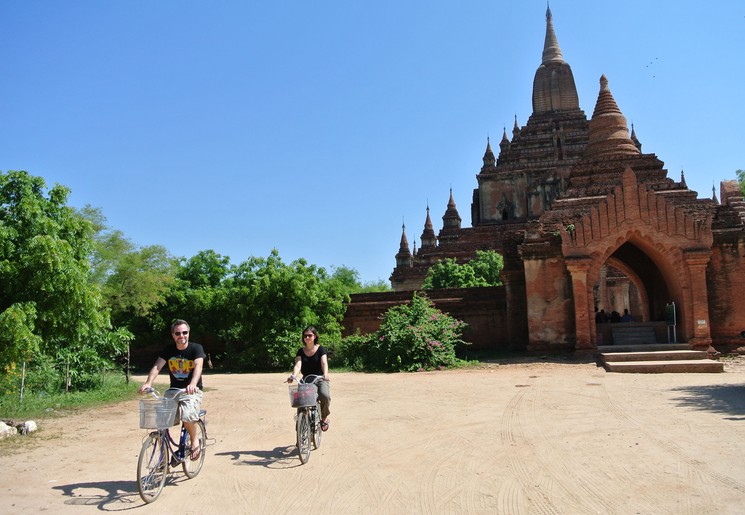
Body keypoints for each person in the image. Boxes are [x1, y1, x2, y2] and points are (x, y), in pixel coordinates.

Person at [140, 319, 205, 460]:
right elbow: (158, 366)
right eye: (178, 333)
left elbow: (198, 366)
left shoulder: (196, 348)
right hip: (173, 391)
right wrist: (148, 383)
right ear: (173, 335)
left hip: (191, 391)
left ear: (188, 333)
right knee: (161, 421)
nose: (181, 336)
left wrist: (193, 384)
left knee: (187, 415)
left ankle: (194, 441)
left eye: (184, 332)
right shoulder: (169, 350)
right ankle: (162, 459)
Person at [287, 326, 331, 431]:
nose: (307, 337)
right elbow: (298, 365)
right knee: (301, 402)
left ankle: (323, 418)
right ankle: (300, 426)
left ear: (315, 336)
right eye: (305, 335)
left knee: (325, 396)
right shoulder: (300, 351)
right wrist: (293, 375)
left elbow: (324, 362)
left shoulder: (321, 349)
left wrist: (325, 374)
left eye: (309, 335)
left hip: (320, 378)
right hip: (306, 380)